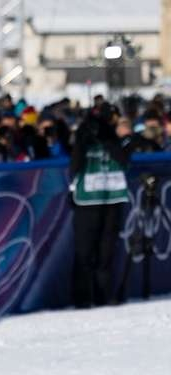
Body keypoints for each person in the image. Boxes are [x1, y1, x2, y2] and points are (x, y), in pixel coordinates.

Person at [69, 102, 129, 307]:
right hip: (90, 199)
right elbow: (76, 162)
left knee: (103, 251)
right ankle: (86, 297)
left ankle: (100, 294)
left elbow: (122, 159)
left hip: (110, 197)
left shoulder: (110, 139)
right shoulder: (85, 138)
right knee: (89, 251)